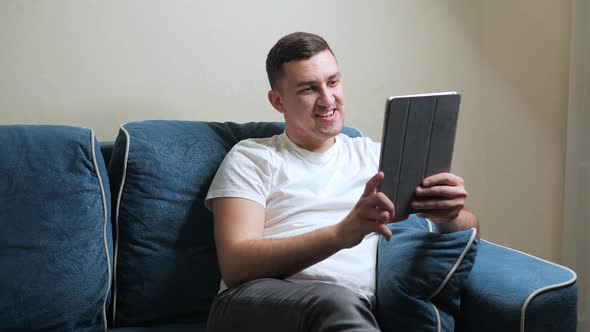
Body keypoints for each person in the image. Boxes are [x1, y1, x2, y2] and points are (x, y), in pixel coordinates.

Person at [205, 32, 479, 332]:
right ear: (277, 101)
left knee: (341, 304)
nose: (327, 99)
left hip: (352, 312)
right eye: (309, 89)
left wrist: (450, 215)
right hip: (254, 305)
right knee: (335, 302)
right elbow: (236, 266)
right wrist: (341, 234)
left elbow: (470, 230)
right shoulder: (252, 157)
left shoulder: (378, 158)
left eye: (333, 82)